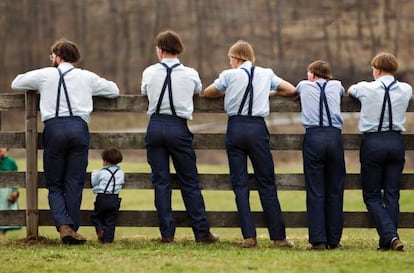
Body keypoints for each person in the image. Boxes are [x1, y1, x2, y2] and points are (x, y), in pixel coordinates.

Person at [11, 38, 120, 244]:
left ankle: (64, 226)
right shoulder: (87, 77)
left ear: (58, 57)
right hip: (79, 129)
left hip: (55, 128)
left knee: (54, 184)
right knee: (74, 182)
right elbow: (113, 90)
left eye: (52, 55)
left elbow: (16, 82)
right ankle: (72, 228)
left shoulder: (45, 74)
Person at [203, 40, 296, 248]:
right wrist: (268, 93)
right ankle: (279, 237)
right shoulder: (266, 74)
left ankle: (249, 236)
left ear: (237, 58)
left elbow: (208, 92)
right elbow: (291, 90)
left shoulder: (229, 75)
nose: (229, 62)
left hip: (236, 128)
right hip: (257, 128)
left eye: (230, 58)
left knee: (240, 184)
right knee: (267, 183)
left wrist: (228, 93)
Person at [141, 30, 218, 243]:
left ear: (160, 49)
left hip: (156, 125)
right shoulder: (190, 73)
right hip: (178, 127)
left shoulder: (149, 72)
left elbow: (144, 92)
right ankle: (201, 232)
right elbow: (198, 90)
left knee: (161, 182)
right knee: (189, 181)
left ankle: (167, 234)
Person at [347, 52, 411, 252]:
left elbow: (351, 90)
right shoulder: (406, 89)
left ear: (377, 69)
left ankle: (390, 237)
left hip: (374, 142)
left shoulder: (366, 88)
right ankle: (387, 242)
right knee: (392, 193)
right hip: (395, 141)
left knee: (372, 195)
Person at [296, 61, 346, 250]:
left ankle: (318, 240)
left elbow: (295, 91)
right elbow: (340, 92)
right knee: (335, 189)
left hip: (314, 137)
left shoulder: (304, 85)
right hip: (334, 137)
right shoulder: (337, 85)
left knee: (316, 190)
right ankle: (334, 240)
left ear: (313, 74)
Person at [91, 147, 125, 243]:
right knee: (111, 220)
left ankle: (100, 229)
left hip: (102, 197)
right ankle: (108, 240)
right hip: (114, 198)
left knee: (96, 216)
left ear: (105, 161)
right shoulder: (121, 173)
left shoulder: (102, 172)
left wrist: (94, 174)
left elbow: (94, 183)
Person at [0, 147, 21, 236]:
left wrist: (15, 191)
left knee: (6, 208)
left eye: (2, 147)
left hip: (7, 190)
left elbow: (16, 178)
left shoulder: (11, 162)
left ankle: (3, 232)